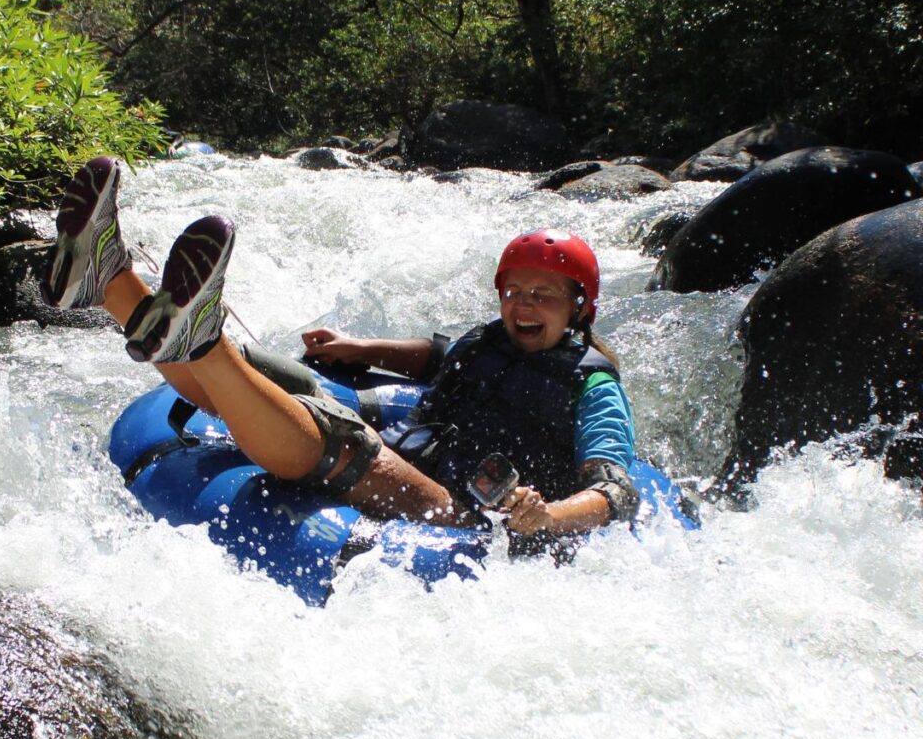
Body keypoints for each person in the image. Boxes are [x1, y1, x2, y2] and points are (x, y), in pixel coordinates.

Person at [41, 157, 638, 543]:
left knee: (341, 440)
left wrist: (547, 517)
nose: (524, 306)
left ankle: (187, 331)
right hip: (428, 462)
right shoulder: (491, 340)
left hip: (466, 517)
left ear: (579, 307)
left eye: (544, 296)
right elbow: (435, 357)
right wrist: (359, 346)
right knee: (268, 374)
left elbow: (616, 491)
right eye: (514, 291)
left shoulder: (592, 386)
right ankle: (109, 280)